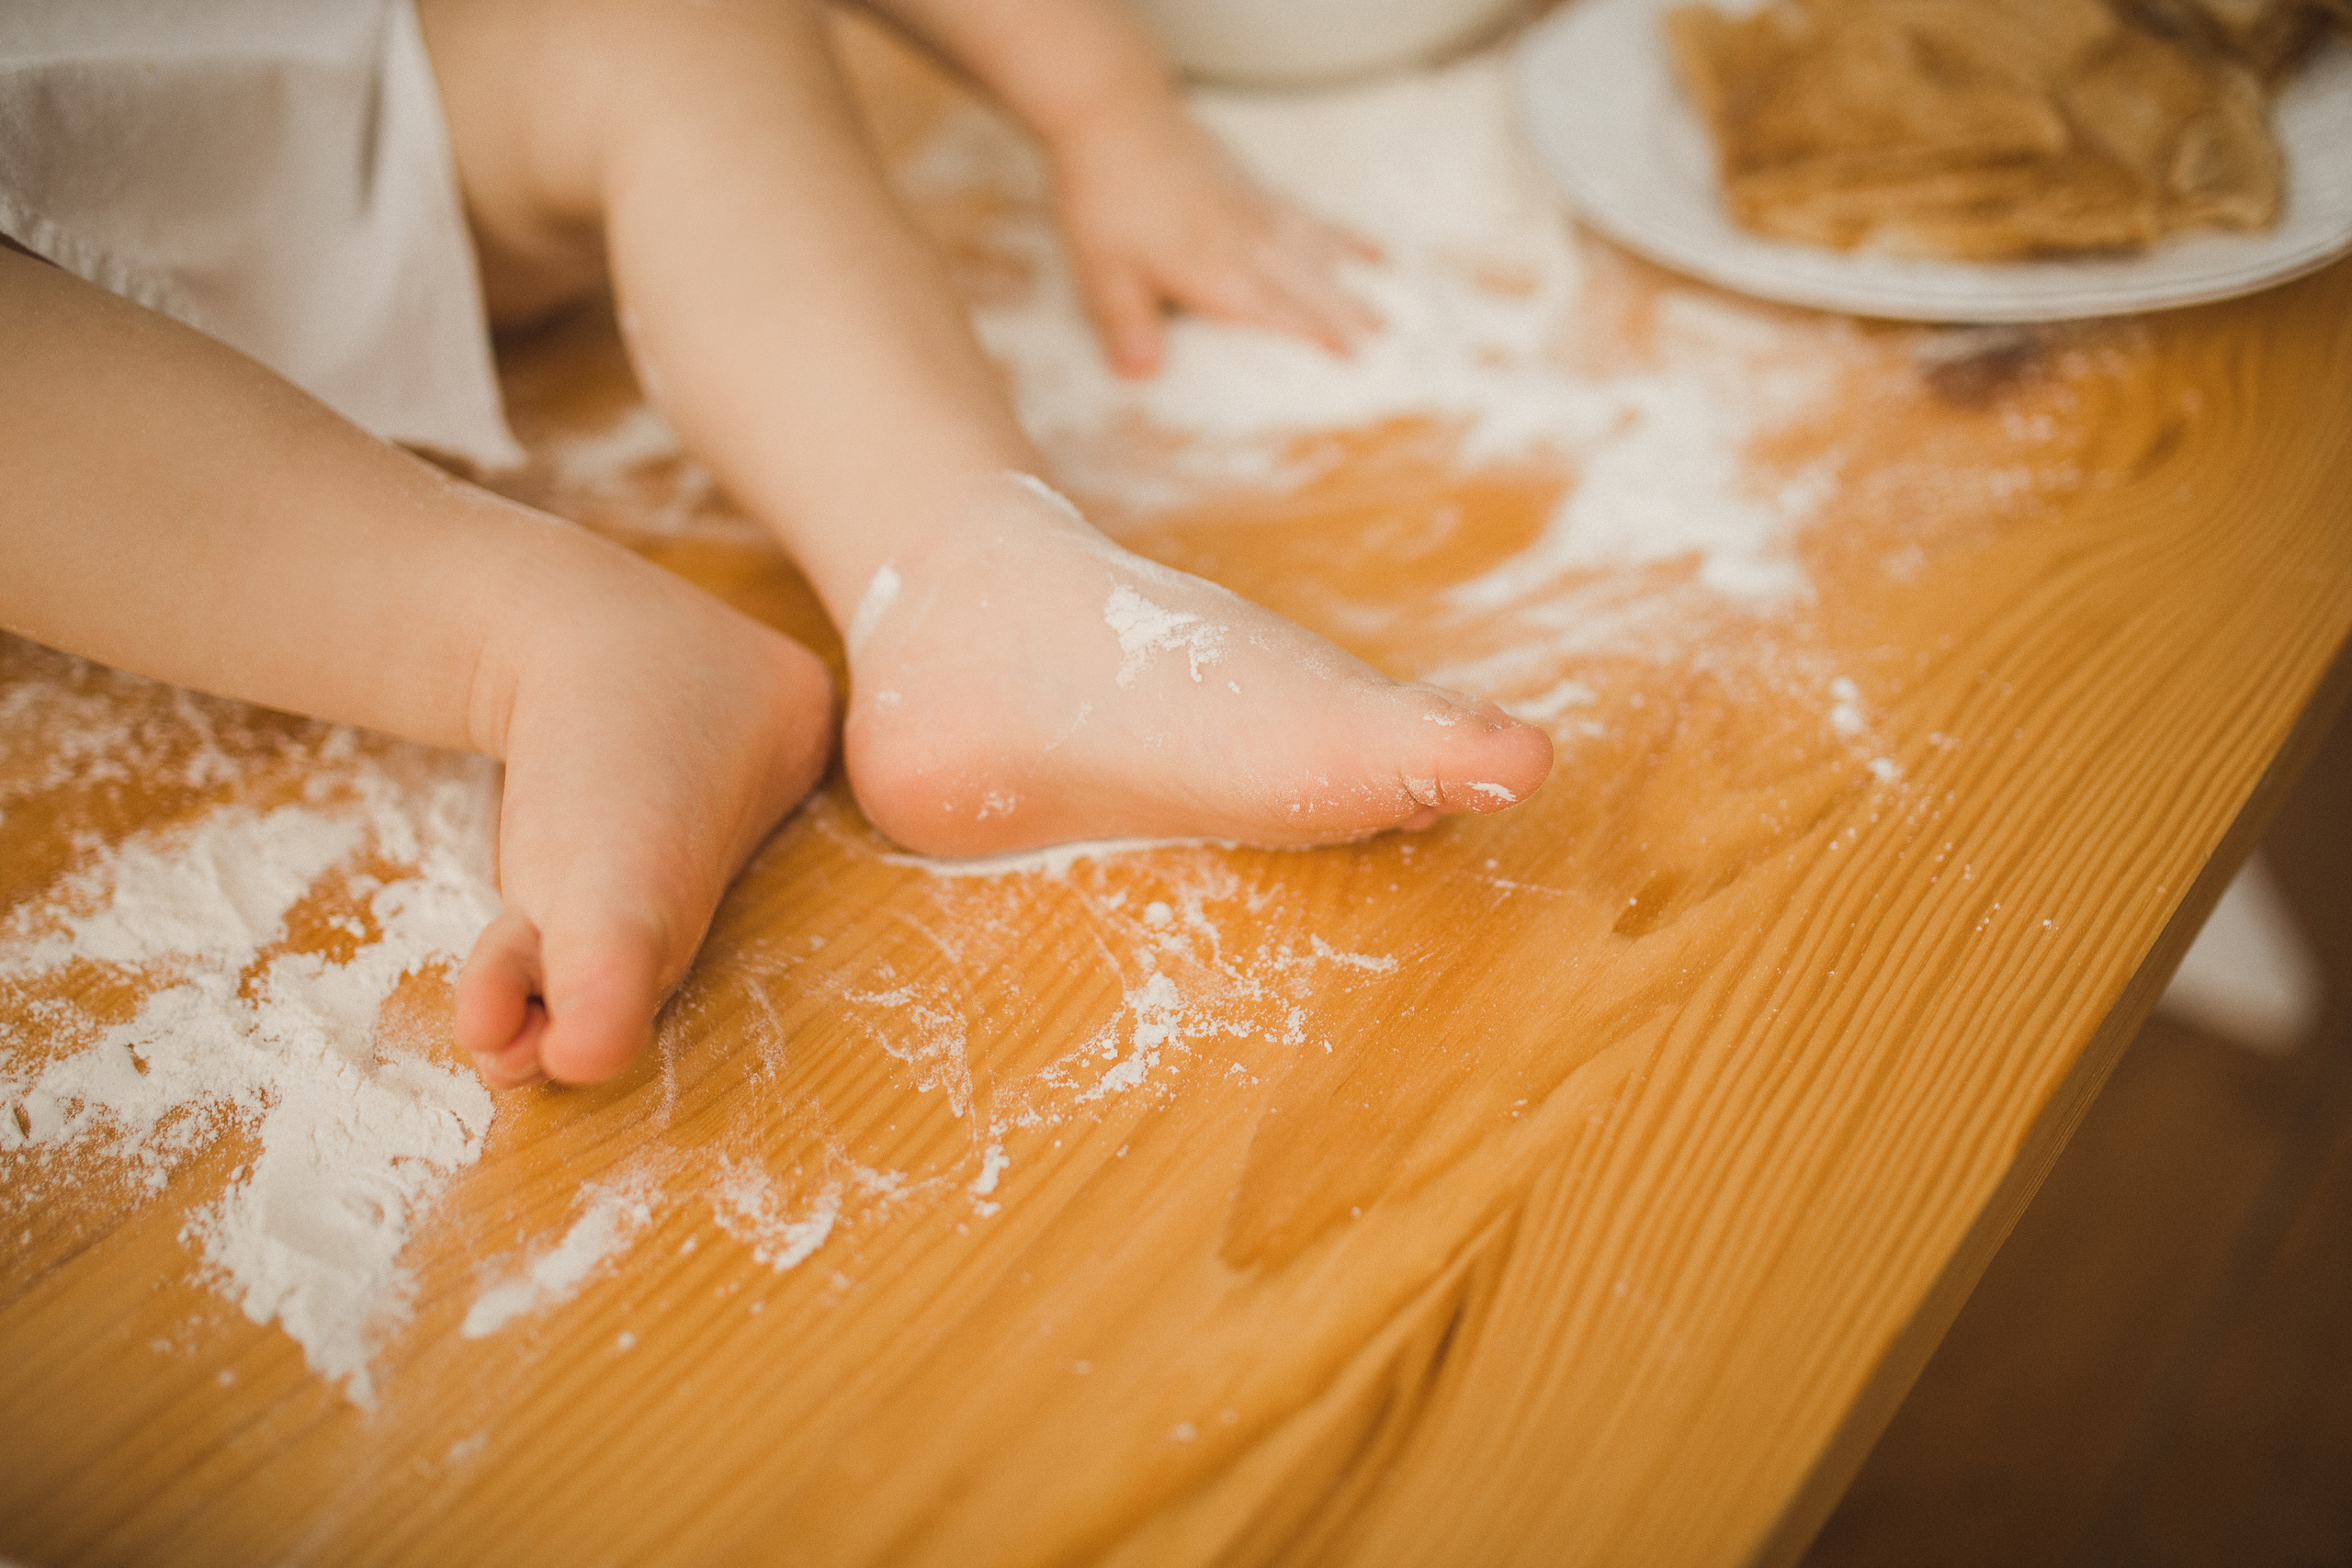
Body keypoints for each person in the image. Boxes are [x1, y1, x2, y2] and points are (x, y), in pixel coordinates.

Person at [0, 0, 1553, 1092]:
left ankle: (970, 582)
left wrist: (1106, 109)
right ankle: (538, 639)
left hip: (302, 94)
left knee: (668, 22)